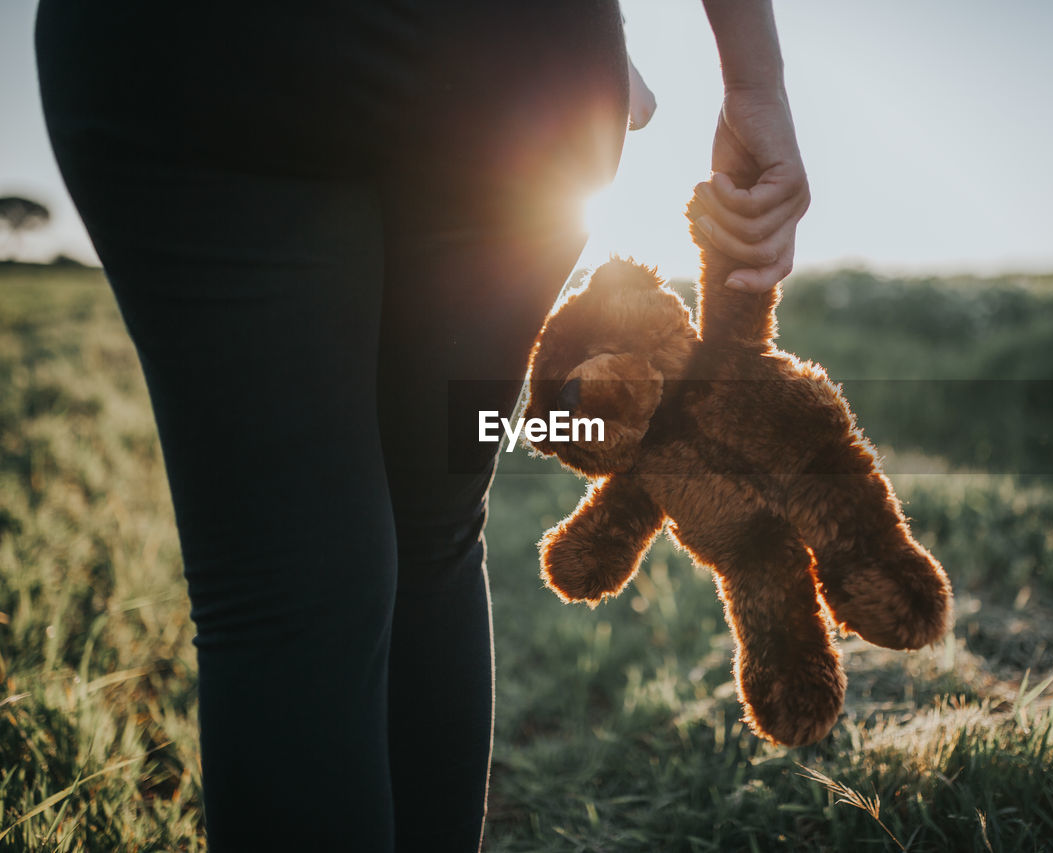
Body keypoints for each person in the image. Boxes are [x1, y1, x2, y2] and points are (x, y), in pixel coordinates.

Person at [35, 0, 808, 849]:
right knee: (433, 534)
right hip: (510, 59)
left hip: (209, 47)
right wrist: (752, 81)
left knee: (288, 581)